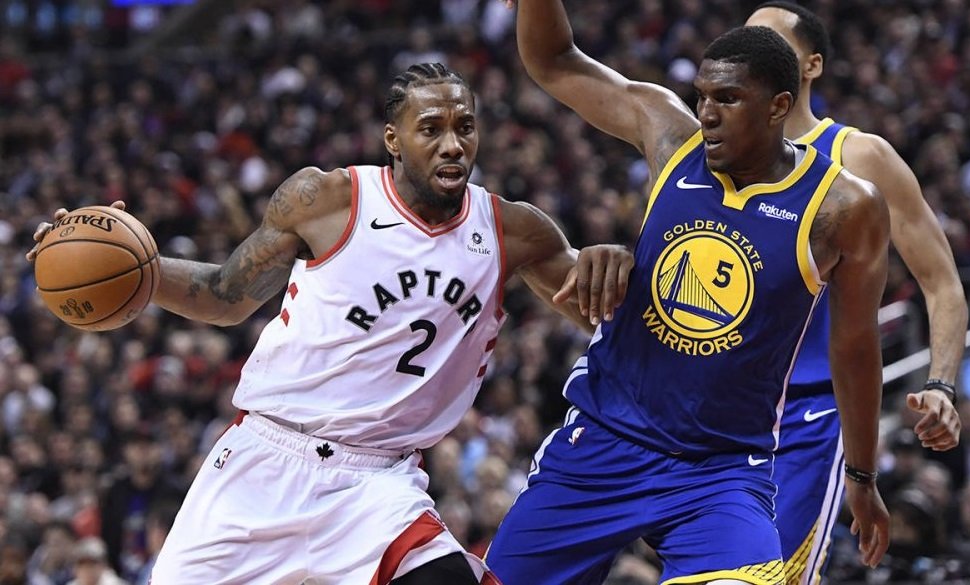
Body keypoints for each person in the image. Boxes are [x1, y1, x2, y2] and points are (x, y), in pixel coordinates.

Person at [27, 62, 634, 584]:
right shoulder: (327, 200)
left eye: (465, 127)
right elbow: (225, 295)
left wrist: (613, 264)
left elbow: (610, 309)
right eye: (431, 129)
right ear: (393, 139)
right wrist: (138, 271)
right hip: (263, 463)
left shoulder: (513, 232)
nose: (453, 145)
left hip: (377, 485)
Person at [486, 3, 892, 583]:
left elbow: (854, 350)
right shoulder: (671, 137)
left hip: (721, 471)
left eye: (728, 99)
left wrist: (862, 476)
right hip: (603, 443)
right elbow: (554, 61)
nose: (707, 114)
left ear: (779, 106)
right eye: (702, 96)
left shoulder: (844, 207)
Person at [744, 3, 967, 582]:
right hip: (711, 405)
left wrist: (941, 383)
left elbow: (942, 283)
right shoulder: (710, 153)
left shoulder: (859, 156)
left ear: (812, 65)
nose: (752, 50)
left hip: (808, 411)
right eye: (744, 38)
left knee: (767, 574)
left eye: (768, 39)